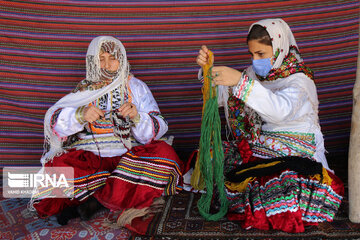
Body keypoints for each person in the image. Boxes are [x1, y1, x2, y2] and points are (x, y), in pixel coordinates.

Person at [195, 18, 343, 233]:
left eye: (261, 54)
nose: (256, 60)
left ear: (280, 48)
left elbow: (278, 112)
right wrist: (207, 71)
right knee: (211, 158)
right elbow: (222, 97)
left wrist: (240, 82)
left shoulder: (300, 80)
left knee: (279, 188)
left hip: (298, 149)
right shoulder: (255, 74)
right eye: (252, 54)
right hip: (262, 144)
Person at [30, 36, 183, 234]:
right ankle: (118, 191)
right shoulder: (83, 89)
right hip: (92, 160)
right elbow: (54, 123)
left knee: (165, 153)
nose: (107, 64)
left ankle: (96, 200)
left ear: (123, 60)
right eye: (100, 58)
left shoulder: (136, 86)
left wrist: (137, 116)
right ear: (92, 61)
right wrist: (80, 115)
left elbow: (159, 126)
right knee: (53, 171)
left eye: (113, 58)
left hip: (130, 159)